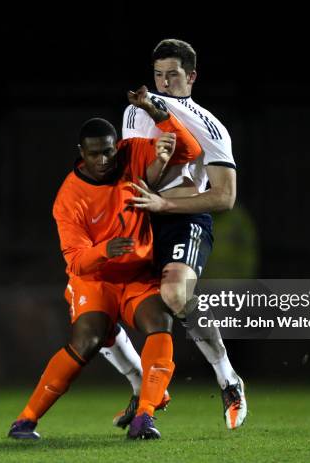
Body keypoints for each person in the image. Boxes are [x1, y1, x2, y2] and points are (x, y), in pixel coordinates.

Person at [8, 85, 202, 440]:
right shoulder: (69, 198)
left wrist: (157, 115)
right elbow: (77, 262)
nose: (103, 160)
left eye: (108, 152)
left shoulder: (132, 155)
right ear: (81, 153)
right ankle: (25, 420)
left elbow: (191, 149)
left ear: (117, 147)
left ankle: (145, 417)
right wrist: (105, 250)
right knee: (88, 339)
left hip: (136, 276)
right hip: (95, 280)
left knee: (160, 321)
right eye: (94, 154)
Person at [99, 39, 247, 430]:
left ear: (192, 76)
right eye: (158, 75)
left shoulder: (210, 125)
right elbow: (137, 170)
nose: (164, 83)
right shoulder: (136, 110)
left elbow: (224, 196)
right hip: (139, 218)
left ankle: (228, 379)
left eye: (173, 75)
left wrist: (166, 206)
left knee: (175, 294)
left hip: (183, 219)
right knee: (95, 308)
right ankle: (140, 389)